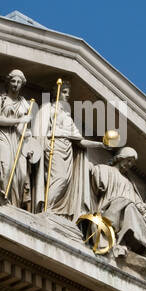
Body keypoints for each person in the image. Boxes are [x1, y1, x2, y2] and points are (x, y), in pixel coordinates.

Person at [33, 80, 100, 217]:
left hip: (67, 151)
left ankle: (53, 210)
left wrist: (101, 145)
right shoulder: (48, 109)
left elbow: (80, 141)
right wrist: (44, 144)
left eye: (68, 94)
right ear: (56, 93)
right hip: (54, 147)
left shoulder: (68, 117)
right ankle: (47, 209)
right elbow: (38, 129)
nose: (66, 96)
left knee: (64, 180)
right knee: (60, 178)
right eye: (64, 92)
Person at [89, 147, 146, 263]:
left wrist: (143, 208)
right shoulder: (106, 170)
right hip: (109, 210)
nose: (130, 164)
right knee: (129, 205)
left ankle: (145, 248)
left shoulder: (129, 183)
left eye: (132, 163)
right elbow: (97, 180)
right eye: (129, 160)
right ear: (120, 158)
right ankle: (143, 250)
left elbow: (137, 203)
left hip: (126, 213)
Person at [0, 69, 39, 208]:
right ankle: (1, 198)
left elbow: (25, 129)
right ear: (8, 82)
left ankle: (14, 204)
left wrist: (28, 140)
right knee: (6, 168)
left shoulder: (25, 104)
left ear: (22, 84)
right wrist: (19, 120)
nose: (16, 84)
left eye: (19, 82)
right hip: (3, 135)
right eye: (13, 81)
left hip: (19, 140)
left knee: (21, 174)